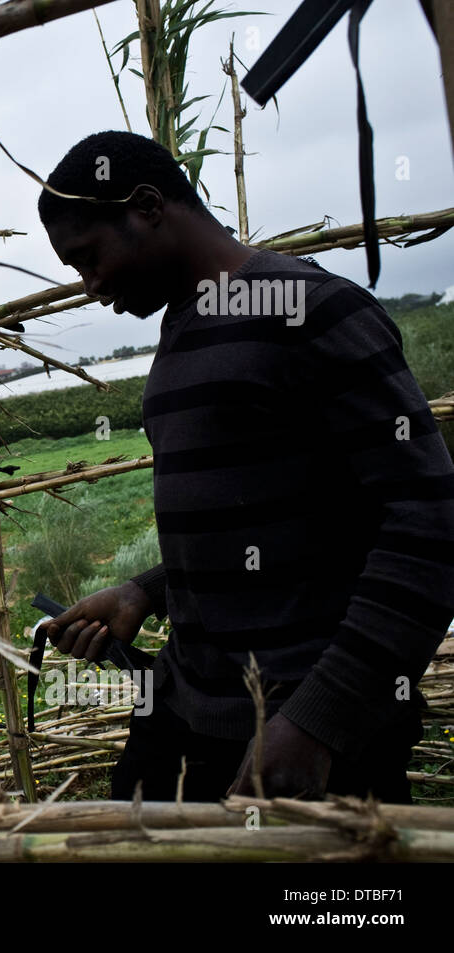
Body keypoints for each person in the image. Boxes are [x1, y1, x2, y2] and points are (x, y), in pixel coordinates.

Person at [34, 131, 454, 804]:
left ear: (146, 207)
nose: (90, 286)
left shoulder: (314, 311)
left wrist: (317, 722)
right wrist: (147, 590)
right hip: (189, 713)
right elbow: (273, 526)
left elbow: (429, 522)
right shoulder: (182, 335)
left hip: (303, 731)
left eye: (89, 257)